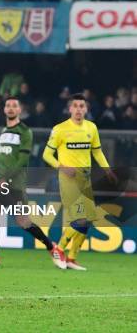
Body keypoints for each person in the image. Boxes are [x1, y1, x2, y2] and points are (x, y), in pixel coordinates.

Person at [0, 97, 66, 268]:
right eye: (8, 105)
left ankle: (52, 247)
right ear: (4, 110)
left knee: (23, 222)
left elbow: (22, 161)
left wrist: (6, 179)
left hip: (15, 185)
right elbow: (3, 161)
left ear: (20, 110)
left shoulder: (25, 131)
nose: (11, 108)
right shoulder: (3, 131)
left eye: (14, 106)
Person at [43, 94, 117, 271]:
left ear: (86, 109)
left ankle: (71, 258)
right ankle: (58, 249)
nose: (78, 109)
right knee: (81, 219)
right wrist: (62, 167)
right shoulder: (60, 129)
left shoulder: (91, 128)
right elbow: (46, 155)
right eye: (75, 106)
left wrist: (107, 169)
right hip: (68, 179)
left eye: (81, 106)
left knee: (88, 220)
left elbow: (97, 152)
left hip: (85, 178)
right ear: (69, 109)